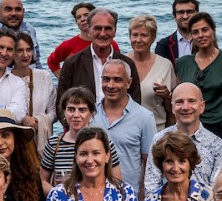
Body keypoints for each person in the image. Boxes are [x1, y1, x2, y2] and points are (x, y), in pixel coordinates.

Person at [177, 12, 222, 157]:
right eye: (195, 32)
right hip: (189, 128)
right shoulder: (182, 63)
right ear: (192, 37)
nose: (201, 35)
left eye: (204, 29)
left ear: (213, 30)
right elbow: (178, 96)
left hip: (220, 128)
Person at [144, 82, 222, 197]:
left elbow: (216, 189)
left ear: (202, 106)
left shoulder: (217, 144)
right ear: (172, 107)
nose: (185, 107)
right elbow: (152, 184)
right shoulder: (159, 139)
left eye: (192, 101)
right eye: (179, 102)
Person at [93, 58, 158, 192]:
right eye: (106, 79)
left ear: (128, 83)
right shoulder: (90, 114)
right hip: (93, 194)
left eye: (117, 80)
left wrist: (142, 196)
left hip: (128, 197)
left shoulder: (144, 117)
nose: (110, 85)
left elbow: (150, 163)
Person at [53, 8, 123, 119]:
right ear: (89, 31)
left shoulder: (126, 64)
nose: (103, 33)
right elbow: (61, 105)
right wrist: (75, 129)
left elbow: (134, 103)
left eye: (108, 28)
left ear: (114, 31)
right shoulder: (72, 63)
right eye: (97, 28)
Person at [41, 86, 119, 186]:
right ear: (64, 112)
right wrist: (59, 197)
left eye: (82, 110)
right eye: (71, 109)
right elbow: (43, 181)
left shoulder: (105, 143)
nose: (76, 115)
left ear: (91, 113)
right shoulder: (53, 144)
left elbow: (116, 180)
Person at [125, 14, 178, 127]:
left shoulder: (165, 65)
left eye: (144, 35)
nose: (138, 40)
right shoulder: (122, 63)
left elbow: (173, 107)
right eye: (134, 35)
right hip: (126, 128)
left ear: (153, 37)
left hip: (156, 129)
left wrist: (167, 95)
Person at [11, 34, 56, 138]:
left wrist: (38, 121)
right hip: (14, 138)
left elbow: (53, 111)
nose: (25, 55)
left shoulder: (44, 76)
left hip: (40, 138)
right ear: (12, 53)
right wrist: (22, 119)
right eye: (20, 50)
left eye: (28, 50)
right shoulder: (6, 79)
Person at [45, 1, 97, 73]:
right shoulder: (68, 45)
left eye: (86, 15)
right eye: (79, 17)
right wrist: (63, 80)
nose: (82, 19)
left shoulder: (108, 44)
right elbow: (52, 61)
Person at [155, 0, 198, 66]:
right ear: (174, 16)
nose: (185, 16)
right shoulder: (163, 45)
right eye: (181, 12)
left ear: (197, 15)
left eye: (189, 12)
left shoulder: (205, 41)